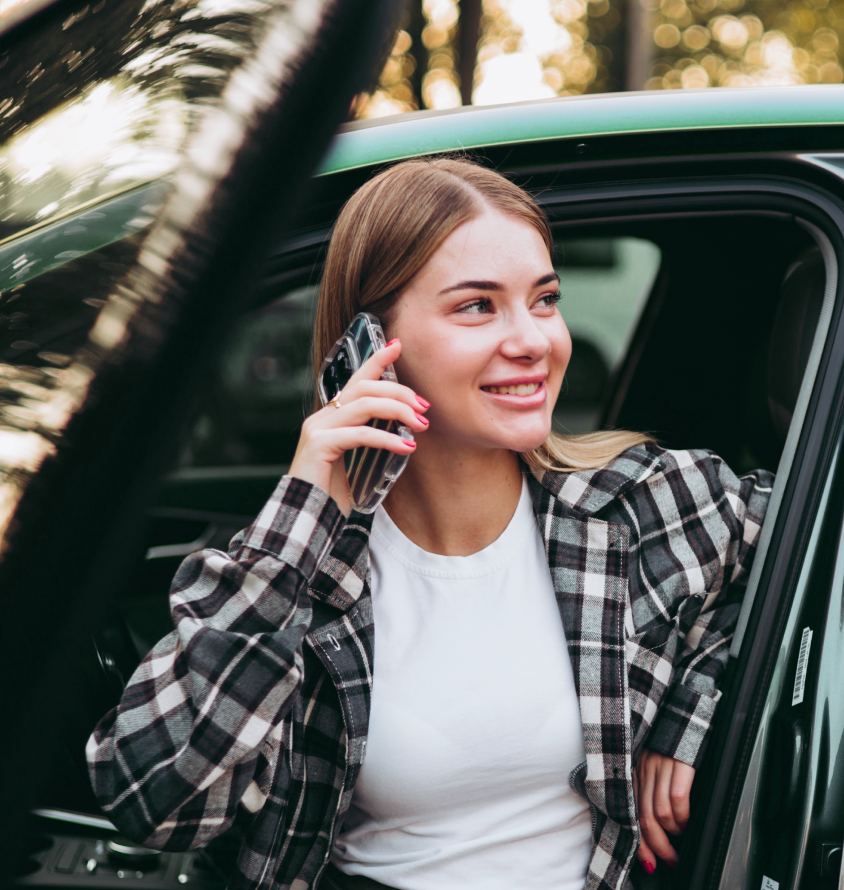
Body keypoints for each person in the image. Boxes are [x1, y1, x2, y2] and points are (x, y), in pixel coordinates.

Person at [87, 157, 773, 890]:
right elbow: (152, 799)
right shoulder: (302, 573)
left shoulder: (643, 502)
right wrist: (304, 508)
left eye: (544, 299)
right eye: (478, 306)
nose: (533, 341)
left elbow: (809, 556)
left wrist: (691, 715)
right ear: (368, 343)